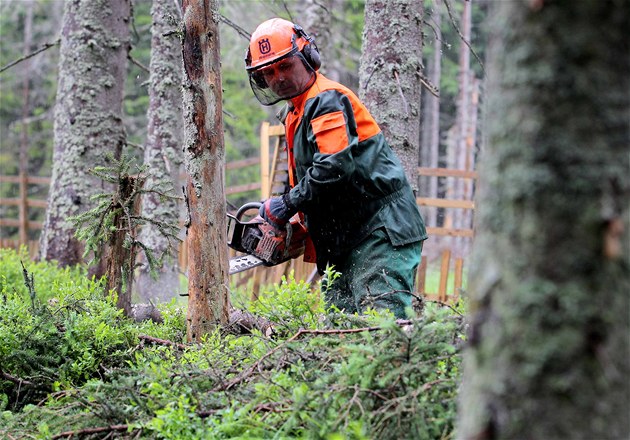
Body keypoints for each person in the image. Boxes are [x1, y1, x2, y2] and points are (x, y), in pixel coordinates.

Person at [245, 18, 428, 318]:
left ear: (307, 57)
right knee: (339, 334)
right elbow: (310, 180)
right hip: (345, 239)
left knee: (382, 325)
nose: (278, 77)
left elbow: (333, 166)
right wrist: (291, 223)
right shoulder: (295, 113)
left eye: (285, 66)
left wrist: (285, 205)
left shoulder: (326, 100)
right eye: (268, 72)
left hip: (378, 231)